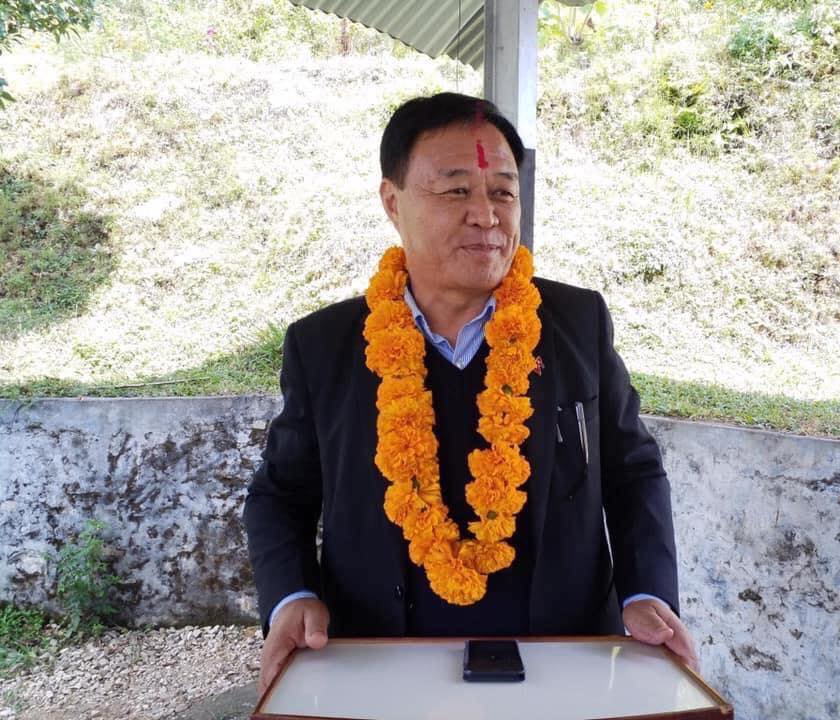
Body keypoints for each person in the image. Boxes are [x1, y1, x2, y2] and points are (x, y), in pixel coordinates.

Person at [243, 92, 698, 695]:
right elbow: (280, 494)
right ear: (392, 202)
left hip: (562, 663)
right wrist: (293, 596)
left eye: (503, 192)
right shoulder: (324, 345)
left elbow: (633, 472)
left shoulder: (577, 323)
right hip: (378, 665)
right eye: (456, 190)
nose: (486, 215)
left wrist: (646, 593)